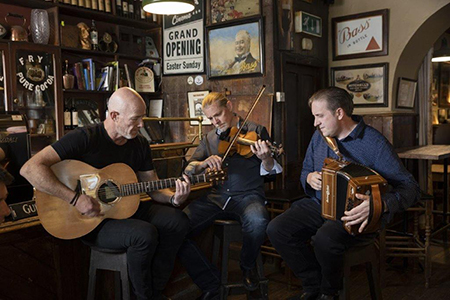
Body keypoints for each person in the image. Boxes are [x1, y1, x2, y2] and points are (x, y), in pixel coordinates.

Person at [20, 87, 191, 300]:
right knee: (144, 234)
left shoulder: (140, 144)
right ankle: (144, 297)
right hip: (88, 221)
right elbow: (30, 169)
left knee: (178, 221)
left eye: (142, 118)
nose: (142, 125)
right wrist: (74, 198)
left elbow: (153, 187)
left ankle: (156, 289)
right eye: (136, 119)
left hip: (124, 209)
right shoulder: (84, 138)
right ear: (114, 116)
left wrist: (173, 198)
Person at [266, 87, 420, 300]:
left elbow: (411, 187)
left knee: (325, 239)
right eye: (314, 116)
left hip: (356, 213)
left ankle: (330, 293)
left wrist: (380, 204)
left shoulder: (374, 143)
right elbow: (305, 173)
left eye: (320, 116)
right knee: (277, 228)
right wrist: (309, 178)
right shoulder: (319, 136)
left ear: (339, 113)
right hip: (320, 205)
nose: (315, 123)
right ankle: (313, 286)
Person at [178, 92, 282, 300]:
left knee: (258, 221)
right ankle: (210, 281)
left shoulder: (255, 130)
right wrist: (203, 163)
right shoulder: (209, 138)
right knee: (177, 227)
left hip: (248, 196)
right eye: (210, 118)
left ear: (230, 107)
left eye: (218, 115)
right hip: (216, 197)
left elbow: (273, 172)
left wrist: (267, 158)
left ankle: (247, 266)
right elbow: (188, 169)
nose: (215, 122)